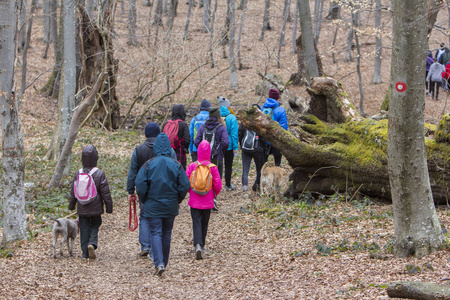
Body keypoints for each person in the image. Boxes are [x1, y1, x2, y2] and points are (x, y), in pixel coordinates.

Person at [135, 133, 190, 276]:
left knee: (156, 233)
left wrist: (144, 198)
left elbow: (140, 184)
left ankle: (159, 263)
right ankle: (163, 262)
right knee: (166, 234)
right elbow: (185, 185)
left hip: (153, 205)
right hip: (170, 205)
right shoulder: (176, 164)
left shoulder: (149, 165)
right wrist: (177, 198)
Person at [127, 122, 171, 258]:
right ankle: (157, 248)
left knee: (145, 216)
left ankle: (145, 245)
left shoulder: (139, 150)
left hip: (144, 189)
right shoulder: (167, 150)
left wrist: (131, 190)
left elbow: (132, 172)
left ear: (145, 134)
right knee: (161, 219)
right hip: (164, 188)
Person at [69, 145, 113, 260]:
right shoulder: (99, 173)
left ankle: (84, 253)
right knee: (95, 225)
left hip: (82, 207)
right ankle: (92, 243)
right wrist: (109, 207)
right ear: (96, 158)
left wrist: (71, 205)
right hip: (95, 208)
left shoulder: (78, 173)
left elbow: (73, 192)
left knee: (83, 228)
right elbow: (105, 193)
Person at [185, 140, 222, 259]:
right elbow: (218, 184)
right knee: (204, 223)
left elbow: (185, 181)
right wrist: (213, 194)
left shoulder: (192, 166)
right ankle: (202, 244)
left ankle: (197, 245)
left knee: (196, 222)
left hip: (194, 201)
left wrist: (191, 191)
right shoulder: (213, 168)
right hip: (208, 201)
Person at [194, 107, 229, 179]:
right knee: (216, 179)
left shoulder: (202, 127)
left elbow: (196, 141)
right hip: (217, 157)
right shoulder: (221, 128)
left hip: (204, 159)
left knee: (205, 178)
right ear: (218, 117)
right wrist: (221, 151)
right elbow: (226, 142)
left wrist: (202, 151)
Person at [260, 88, 288, 166]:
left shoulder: (262, 109)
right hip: (276, 141)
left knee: (263, 165)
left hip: (264, 140)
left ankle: (261, 177)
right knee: (277, 164)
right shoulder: (281, 110)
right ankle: (277, 177)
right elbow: (284, 128)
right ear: (277, 98)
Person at [238, 122, 267, 192]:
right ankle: (257, 185)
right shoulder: (259, 123)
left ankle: (245, 186)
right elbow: (263, 138)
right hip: (257, 149)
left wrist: (242, 145)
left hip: (245, 149)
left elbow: (239, 134)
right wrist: (264, 148)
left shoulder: (243, 122)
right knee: (259, 169)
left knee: (245, 169)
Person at [218, 97, 239, 191]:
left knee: (217, 165)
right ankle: (228, 185)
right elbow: (234, 134)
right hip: (229, 145)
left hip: (218, 145)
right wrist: (235, 148)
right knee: (228, 165)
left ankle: (217, 185)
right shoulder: (232, 117)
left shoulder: (216, 116)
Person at [162, 104, 190, 169]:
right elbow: (187, 140)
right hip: (179, 154)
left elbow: (161, 137)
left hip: (166, 153)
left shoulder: (166, 124)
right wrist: (185, 147)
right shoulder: (183, 124)